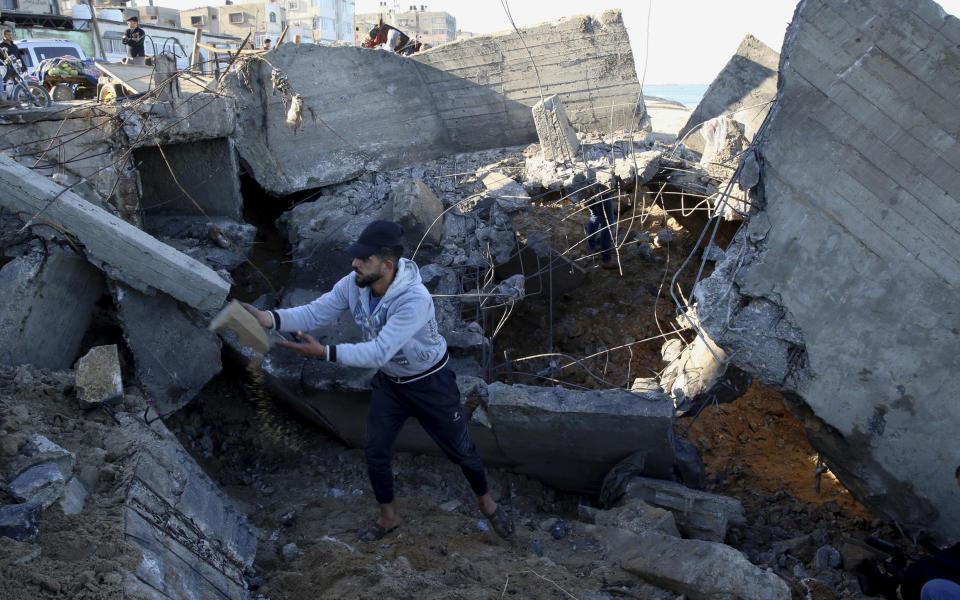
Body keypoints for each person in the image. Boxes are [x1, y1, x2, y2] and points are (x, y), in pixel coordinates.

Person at [241, 220, 515, 542]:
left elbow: (378, 352)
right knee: (376, 450)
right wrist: (270, 318)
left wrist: (324, 352)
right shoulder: (354, 283)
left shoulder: (414, 299)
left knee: (462, 450)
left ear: (386, 265)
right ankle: (389, 516)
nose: (354, 263)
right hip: (391, 384)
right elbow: (317, 313)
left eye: (363, 259)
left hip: (430, 382)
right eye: (356, 257)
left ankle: (487, 504)